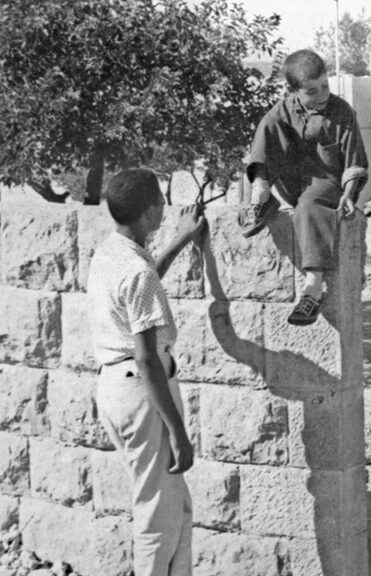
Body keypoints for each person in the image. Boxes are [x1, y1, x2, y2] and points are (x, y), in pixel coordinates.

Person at [88, 168, 206, 576]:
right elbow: (146, 358)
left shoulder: (111, 252)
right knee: (158, 515)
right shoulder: (136, 272)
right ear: (150, 212)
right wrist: (177, 430)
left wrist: (179, 239)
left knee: (175, 507)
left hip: (115, 388)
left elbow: (144, 282)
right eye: (160, 200)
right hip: (143, 391)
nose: (163, 205)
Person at [239, 49, 369, 326]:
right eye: (311, 91)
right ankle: (261, 195)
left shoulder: (341, 111)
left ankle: (313, 287)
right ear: (293, 90)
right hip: (292, 180)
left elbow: (354, 161)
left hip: (328, 184)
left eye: (325, 86)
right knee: (268, 125)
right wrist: (264, 180)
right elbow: (266, 145)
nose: (321, 95)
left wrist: (348, 194)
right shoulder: (283, 110)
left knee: (307, 206)